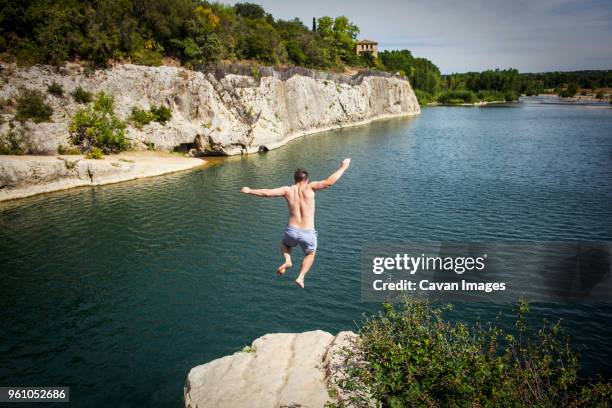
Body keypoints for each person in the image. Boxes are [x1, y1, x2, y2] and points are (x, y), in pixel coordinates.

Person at [241, 158, 351, 288]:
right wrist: (343, 167)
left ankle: (288, 261)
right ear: (307, 179)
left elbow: (267, 193)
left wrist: (250, 190)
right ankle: (301, 277)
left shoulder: (287, 190)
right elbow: (329, 182)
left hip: (292, 230)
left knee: (284, 244)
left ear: (294, 179)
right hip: (308, 232)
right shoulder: (310, 187)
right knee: (310, 254)